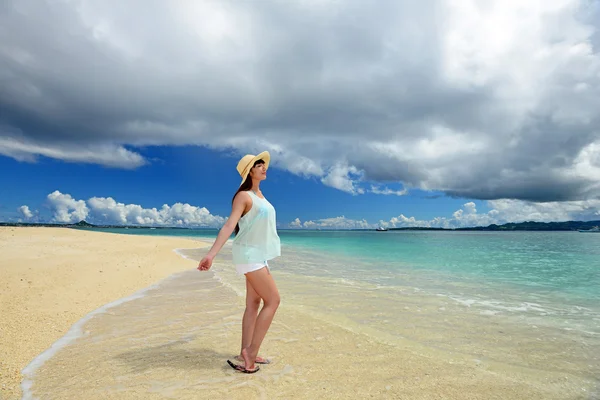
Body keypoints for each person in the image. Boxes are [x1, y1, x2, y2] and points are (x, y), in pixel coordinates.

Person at [197, 151, 281, 374]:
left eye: (264, 165)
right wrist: (211, 254)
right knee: (273, 301)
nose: (264, 168)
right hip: (249, 255)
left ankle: (244, 351)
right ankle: (251, 355)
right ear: (250, 171)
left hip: (257, 255)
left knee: (253, 304)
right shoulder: (244, 196)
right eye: (259, 165)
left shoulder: (260, 196)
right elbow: (228, 226)